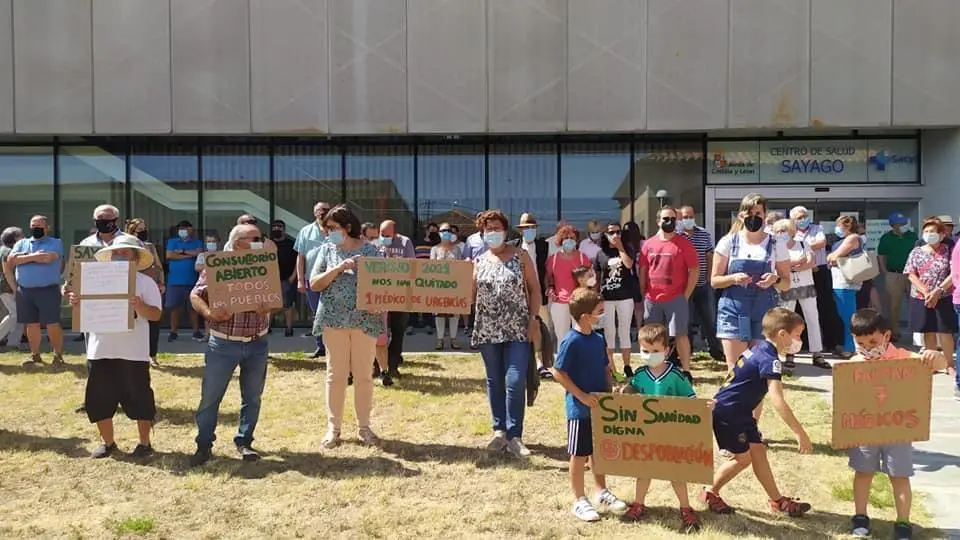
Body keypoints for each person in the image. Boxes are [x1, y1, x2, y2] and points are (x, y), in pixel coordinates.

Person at [700, 307, 813, 517]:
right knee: (742, 459)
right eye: (797, 335)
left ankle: (777, 501)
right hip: (729, 413)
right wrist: (800, 433)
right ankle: (710, 492)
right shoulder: (770, 360)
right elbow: (777, 400)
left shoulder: (759, 348)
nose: (799, 340)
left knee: (758, 452)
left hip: (740, 412)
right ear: (782, 334)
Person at [845, 310, 946, 539]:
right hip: (865, 429)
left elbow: (938, 364)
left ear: (886, 336)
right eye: (861, 342)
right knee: (863, 472)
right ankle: (860, 517)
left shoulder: (903, 357)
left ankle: (903, 522)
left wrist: (933, 356)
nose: (868, 347)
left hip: (898, 428)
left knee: (899, 476)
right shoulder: (854, 363)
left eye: (873, 341)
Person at [188, 224, 275, 467]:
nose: (260, 241)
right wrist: (210, 313)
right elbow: (196, 295)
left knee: (253, 397)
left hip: (257, 343)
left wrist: (270, 306)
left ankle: (244, 441)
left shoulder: (264, 265)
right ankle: (204, 445)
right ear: (238, 242)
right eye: (255, 238)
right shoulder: (217, 265)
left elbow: (276, 300)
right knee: (210, 398)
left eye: (260, 237)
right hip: (223, 344)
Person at [67, 236, 162, 458]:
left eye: (125, 253)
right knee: (99, 398)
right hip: (100, 349)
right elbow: (82, 313)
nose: (119, 256)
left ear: (136, 258)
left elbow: (156, 315)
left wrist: (140, 305)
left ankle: (144, 443)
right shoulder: (93, 280)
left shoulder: (145, 282)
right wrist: (77, 302)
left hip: (133, 351)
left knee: (139, 397)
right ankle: (108, 443)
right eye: (116, 253)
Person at [310, 205, 385, 448]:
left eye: (333, 228)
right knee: (336, 375)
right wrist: (339, 268)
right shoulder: (326, 250)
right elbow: (314, 284)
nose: (329, 232)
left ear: (348, 227)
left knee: (364, 375)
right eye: (327, 229)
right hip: (333, 320)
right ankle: (334, 428)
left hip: (364, 321)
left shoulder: (372, 251)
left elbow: (386, 286)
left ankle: (364, 427)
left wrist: (380, 304)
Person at [550, 288, 627, 522]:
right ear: (585, 316)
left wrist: (611, 387)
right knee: (579, 453)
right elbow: (558, 372)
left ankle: (601, 491)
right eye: (599, 312)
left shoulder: (598, 339)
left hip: (600, 409)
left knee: (599, 452)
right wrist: (581, 396)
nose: (601, 316)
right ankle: (579, 499)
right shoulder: (571, 341)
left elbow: (605, 367)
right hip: (580, 410)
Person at [471, 210, 541, 458]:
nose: (492, 232)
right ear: (482, 233)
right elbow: (467, 296)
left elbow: (535, 290)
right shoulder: (478, 262)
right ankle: (499, 430)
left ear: (505, 230)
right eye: (487, 228)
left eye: (496, 227)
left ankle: (515, 435)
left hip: (518, 328)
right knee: (494, 380)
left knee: (514, 380)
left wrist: (533, 319)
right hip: (488, 329)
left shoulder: (521, 256)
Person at [619, 323, 702, 532]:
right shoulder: (639, 374)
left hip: (670, 434)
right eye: (645, 351)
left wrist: (702, 407)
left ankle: (685, 507)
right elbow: (631, 393)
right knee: (644, 471)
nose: (649, 355)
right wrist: (624, 391)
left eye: (655, 351)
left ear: (667, 350)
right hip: (647, 434)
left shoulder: (676, 375)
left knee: (676, 472)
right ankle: (639, 504)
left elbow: (691, 400)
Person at [713, 194, 791, 370]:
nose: (754, 217)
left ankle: (758, 399)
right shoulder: (728, 241)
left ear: (765, 215)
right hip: (733, 309)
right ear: (741, 215)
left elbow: (786, 282)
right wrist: (733, 278)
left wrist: (775, 279)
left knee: (759, 367)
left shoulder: (776, 243)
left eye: (758, 213)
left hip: (764, 311)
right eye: (749, 213)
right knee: (736, 369)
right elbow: (714, 281)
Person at [639, 206, 698, 375]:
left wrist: (685, 295)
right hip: (652, 299)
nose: (669, 222)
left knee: (680, 335)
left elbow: (694, 270)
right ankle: (654, 369)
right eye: (665, 219)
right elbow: (643, 270)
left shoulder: (684, 243)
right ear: (658, 221)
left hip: (676, 298)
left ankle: (686, 370)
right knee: (652, 337)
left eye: (673, 218)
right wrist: (643, 293)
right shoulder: (648, 244)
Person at [770, 219, 830, 369]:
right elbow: (776, 267)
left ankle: (817, 353)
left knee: (812, 319)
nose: (781, 234)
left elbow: (811, 262)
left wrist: (793, 265)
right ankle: (790, 353)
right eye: (778, 231)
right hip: (787, 287)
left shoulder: (803, 243)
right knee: (788, 321)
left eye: (784, 231)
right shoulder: (775, 248)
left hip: (806, 286)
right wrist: (796, 262)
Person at [8, 215, 65, 366]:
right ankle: (35, 355)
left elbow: (48, 258)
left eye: (39, 226)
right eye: (33, 225)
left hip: (48, 290)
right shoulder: (22, 243)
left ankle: (58, 355)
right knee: (31, 324)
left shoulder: (56, 242)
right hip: (25, 291)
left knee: (52, 323)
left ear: (47, 228)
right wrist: (34, 256)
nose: (35, 228)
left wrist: (23, 258)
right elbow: (11, 261)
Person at [903, 217, 956, 368]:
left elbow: (953, 273)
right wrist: (926, 292)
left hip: (943, 296)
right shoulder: (916, 251)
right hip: (921, 297)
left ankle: (949, 364)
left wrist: (938, 291)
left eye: (932, 231)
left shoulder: (949, 251)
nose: (928, 234)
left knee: (945, 331)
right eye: (926, 231)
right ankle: (932, 364)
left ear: (941, 234)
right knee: (928, 330)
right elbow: (910, 273)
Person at [792, 205, 844, 355]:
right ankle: (804, 344)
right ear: (792, 220)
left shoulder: (817, 228)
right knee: (800, 309)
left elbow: (821, 243)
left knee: (826, 307)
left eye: (804, 216)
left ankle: (832, 343)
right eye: (799, 218)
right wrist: (806, 249)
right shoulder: (792, 232)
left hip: (820, 271)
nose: (803, 220)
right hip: (801, 272)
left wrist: (801, 247)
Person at [679, 205, 723, 361]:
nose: (688, 219)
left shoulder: (703, 234)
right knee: (687, 319)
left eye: (690, 216)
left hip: (703, 283)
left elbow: (709, 255)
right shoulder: (677, 236)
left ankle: (715, 349)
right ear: (680, 218)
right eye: (685, 217)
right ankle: (688, 350)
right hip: (685, 286)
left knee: (709, 318)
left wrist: (710, 277)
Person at [594, 222, 636, 377]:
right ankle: (611, 366)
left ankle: (627, 365)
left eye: (618, 232)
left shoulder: (627, 248)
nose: (615, 235)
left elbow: (629, 264)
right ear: (605, 235)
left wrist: (620, 247)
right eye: (611, 232)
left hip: (625, 296)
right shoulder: (600, 254)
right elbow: (597, 277)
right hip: (607, 298)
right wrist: (596, 297)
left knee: (624, 331)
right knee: (609, 332)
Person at [515, 213, 552, 378]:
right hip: (519, 294)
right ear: (521, 231)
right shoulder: (513, 247)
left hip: (540, 293)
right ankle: (523, 362)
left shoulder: (544, 246)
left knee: (541, 327)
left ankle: (541, 362)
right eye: (526, 228)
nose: (529, 231)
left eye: (532, 228)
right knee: (521, 328)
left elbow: (549, 268)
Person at [124, 218, 165, 367]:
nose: (143, 232)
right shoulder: (126, 247)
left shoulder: (149, 247)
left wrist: (161, 282)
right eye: (139, 230)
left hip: (151, 286)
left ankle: (152, 355)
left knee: (154, 322)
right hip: (132, 288)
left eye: (144, 228)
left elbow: (158, 265)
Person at [378, 220, 415, 377]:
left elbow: (413, 265)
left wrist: (395, 261)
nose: (384, 237)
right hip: (381, 294)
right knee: (379, 332)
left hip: (401, 293)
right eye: (382, 234)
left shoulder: (405, 242)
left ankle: (393, 365)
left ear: (395, 233)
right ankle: (378, 366)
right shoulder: (375, 244)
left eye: (387, 235)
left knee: (398, 330)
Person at [827, 215, 867, 356]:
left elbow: (834, 256)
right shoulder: (845, 239)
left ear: (848, 226)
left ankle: (852, 348)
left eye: (839, 225)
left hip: (846, 283)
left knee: (848, 316)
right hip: (840, 281)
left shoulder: (852, 238)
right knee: (844, 315)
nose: (837, 228)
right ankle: (848, 345)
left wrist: (832, 257)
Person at [295, 201, 331, 358]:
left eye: (325, 210)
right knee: (317, 313)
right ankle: (320, 346)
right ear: (314, 213)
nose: (322, 212)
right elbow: (300, 257)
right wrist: (300, 280)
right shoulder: (306, 231)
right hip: (313, 279)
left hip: (334, 280)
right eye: (319, 210)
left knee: (333, 312)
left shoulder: (337, 230)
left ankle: (334, 346)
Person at [546, 224, 590, 344]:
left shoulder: (582, 258)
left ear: (576, 240)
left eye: (572, 238)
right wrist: (550, 288)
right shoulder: (553, 259)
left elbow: (590, 278)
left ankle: (579, 362)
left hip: (579, 302)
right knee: (562, 339)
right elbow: (548, 277)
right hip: (559, 303)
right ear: (561, 240)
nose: (569, 240)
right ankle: (563, 362)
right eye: (566, 238)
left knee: (581, 336)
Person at [877, 212, 917, 341]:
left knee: (916, 303)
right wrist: (885, 272)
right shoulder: (886, 238)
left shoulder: (913, 236)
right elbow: (881, 256)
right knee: (893, 305)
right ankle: (894, 332)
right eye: (901, 224)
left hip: (912, 275)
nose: (904, 226)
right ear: (894, 225)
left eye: (905, 223)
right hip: (894, 274)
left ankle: (918, 333)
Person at [361, 222, 392, 386]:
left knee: (380, 340)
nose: (374, 240)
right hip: (360, 303)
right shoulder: (355, 253)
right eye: (370, 237)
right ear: (362, 236)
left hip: (379, 300)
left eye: (376, 237)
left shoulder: (383, 252)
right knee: (359, 339)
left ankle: (384, 372)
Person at [164, 219, 203, 342]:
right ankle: (173, 332)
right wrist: (190, 255)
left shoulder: (198, 242)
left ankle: (196, 332)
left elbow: (199, 253)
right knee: (175, 308)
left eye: (186, 228)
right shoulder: (172, 241)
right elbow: (169, 255)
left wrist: (181, 252)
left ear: (191, 230)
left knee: (193, 308)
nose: (183, 231)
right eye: (181, 229)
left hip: (193, 280)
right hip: (174, 281)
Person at [430, 223, 462, 350]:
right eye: (443, 230)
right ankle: (440, 339)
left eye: (448, 230)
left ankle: (454, 339)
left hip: (454, 286)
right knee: (439, 314)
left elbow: (461, 266)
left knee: (454, 313)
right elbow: (431, 267)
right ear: (439, 232)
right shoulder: (434, 249)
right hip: (439, 286)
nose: (446, 232)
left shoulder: (457, 249)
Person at [270, 220, 298, 337]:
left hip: (287, 278)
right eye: (274, 227)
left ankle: (289, 328)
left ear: (284, 229)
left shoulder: (291, 243)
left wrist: (293, 276)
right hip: (271, 280)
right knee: (270, 304)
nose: (277, 229)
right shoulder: (268, 244)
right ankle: (267, 327)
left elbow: (298, 261)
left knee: (287, 304)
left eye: (279, 227)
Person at [411, 222, 440, 335]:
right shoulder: (417, 242)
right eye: (431, 230)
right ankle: (412, 324)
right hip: (417, 275)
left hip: (431, 277)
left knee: (428, 300)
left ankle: (428, 324)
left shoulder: (437, 244)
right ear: (427, 231)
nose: (432, 232)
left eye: (435, 231)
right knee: (414, 299)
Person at [0, 227, 24, 350]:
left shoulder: (5, 250)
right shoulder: (7, 251)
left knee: (20, 315)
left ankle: (13, 344)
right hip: (7, 288)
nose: (23, 238)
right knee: (15, 314)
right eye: (21, 236)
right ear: (14, 238)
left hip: (8, 287)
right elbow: (7, 272)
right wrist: (15, 289)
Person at [622, 221, 645, 331]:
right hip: (626, 277)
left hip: (640, 276)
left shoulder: (642, 244)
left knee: (639, 304)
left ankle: (640, 327)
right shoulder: (623, 245)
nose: (627, 233)